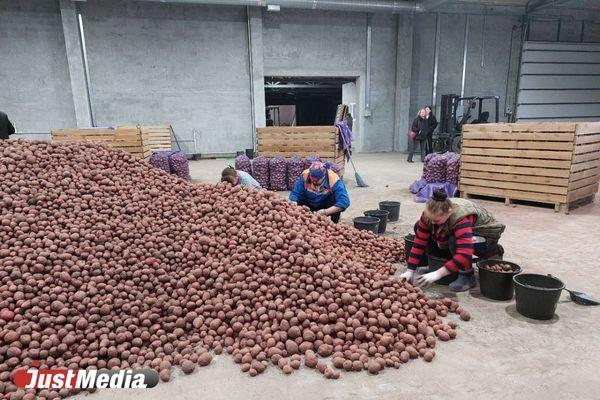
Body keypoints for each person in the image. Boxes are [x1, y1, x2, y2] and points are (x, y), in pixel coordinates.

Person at [400, 189, 505, 292]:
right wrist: (410, 270)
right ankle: (437, 265)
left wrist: (438, 274)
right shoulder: (430, 214)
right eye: (430, 218)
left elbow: (464, 253)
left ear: (449, 212)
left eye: (436, 220)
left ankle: (467, 276)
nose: (432, 222)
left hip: (484, 237)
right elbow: (419, 242)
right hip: (458, 231)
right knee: (420, 226)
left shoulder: (461, 218)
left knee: (454, 240)